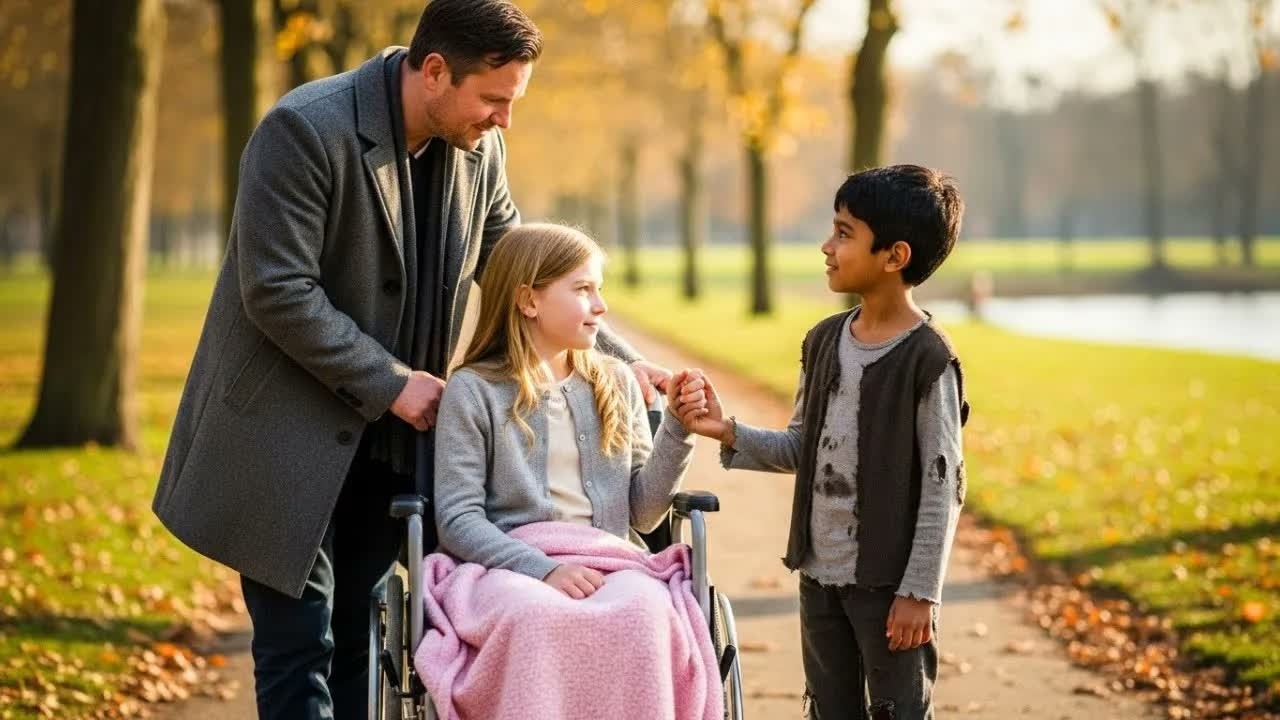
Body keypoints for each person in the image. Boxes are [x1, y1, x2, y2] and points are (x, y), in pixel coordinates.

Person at [151, 3, 667, 716]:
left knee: (368, 636)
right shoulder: (304, 129)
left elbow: (520, 271)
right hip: (281, 438)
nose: (503, 120)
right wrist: (393, 384)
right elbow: (275, 290)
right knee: (300, 647)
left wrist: (621, 359)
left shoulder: (481, 150)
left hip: (391, 445)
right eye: (494, 100)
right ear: (434, 72)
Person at [674, 165, 971, 719]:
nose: (826, 245)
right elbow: (801, 448)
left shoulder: (928, 359)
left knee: (898, 710)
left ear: (894, 256)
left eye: (843, 233)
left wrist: (919, 592)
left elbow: (942, 488)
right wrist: (726, 429)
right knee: (830, 710)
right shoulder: (824, 341)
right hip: (820, 575)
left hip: (891, 587)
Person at [423, 223, 719, 719]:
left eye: (598, 289)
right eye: (583, 289)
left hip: (610, 559)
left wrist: (678, 429)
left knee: (646, 614)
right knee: (534, 614)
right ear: (528, 300)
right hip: (507, 566)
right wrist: (545, 569)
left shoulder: (617, 382)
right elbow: (457, 519)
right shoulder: (473, 391)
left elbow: (643, 517)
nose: (600, 306)